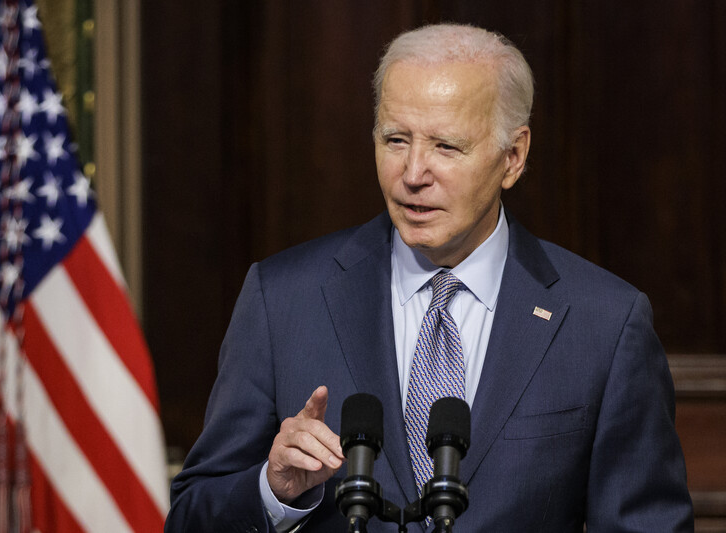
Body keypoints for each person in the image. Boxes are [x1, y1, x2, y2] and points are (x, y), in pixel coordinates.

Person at [164, 23, 693, 532]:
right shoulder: (282, 300)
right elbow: (191, 516)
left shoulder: (605, 323)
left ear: (513, 156)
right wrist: (274, 491)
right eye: (396, 140)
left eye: (446, 146)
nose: (413, 173)